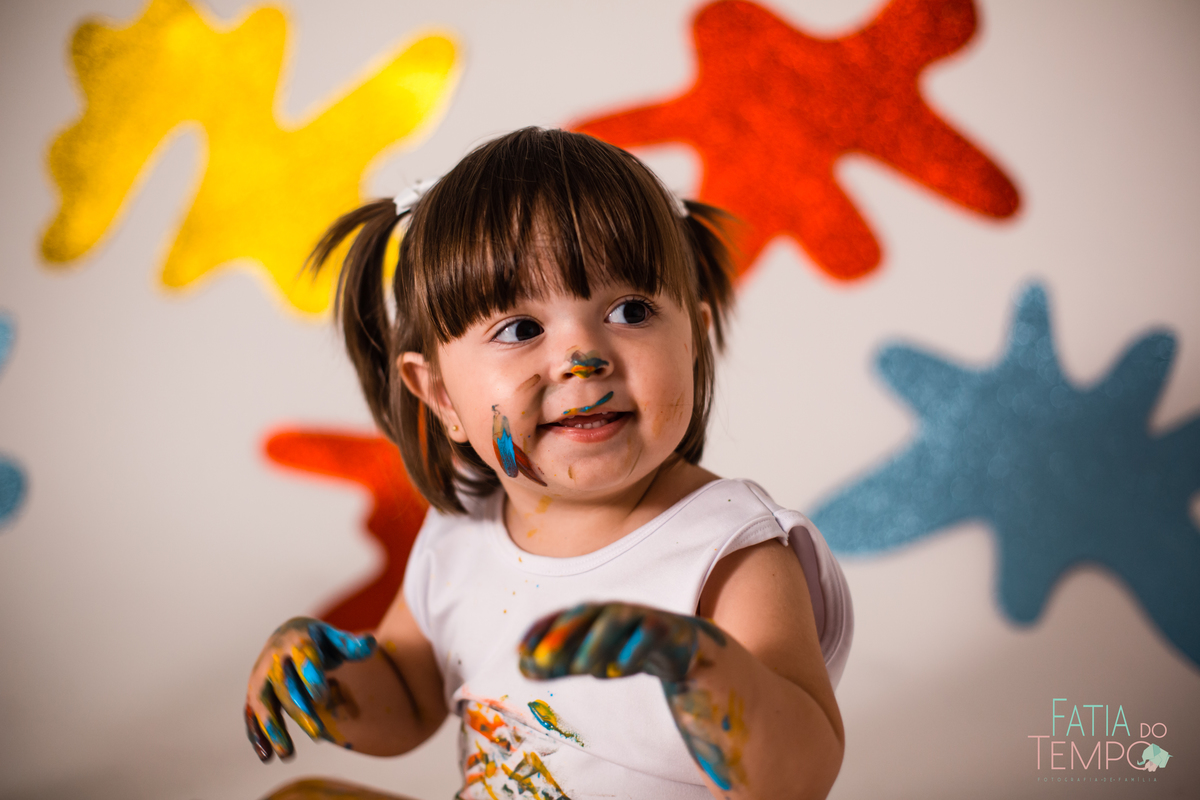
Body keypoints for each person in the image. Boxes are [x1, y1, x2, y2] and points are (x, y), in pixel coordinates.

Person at [243, 127, 852, 800]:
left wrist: (697, 667)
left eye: (630, 310)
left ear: (695, 342)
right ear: (441, 394)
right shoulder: (462, 535)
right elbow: (408, 701)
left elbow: (804, 771)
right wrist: (320, 684)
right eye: (520, 329)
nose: (582, 357)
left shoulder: (728, 548)